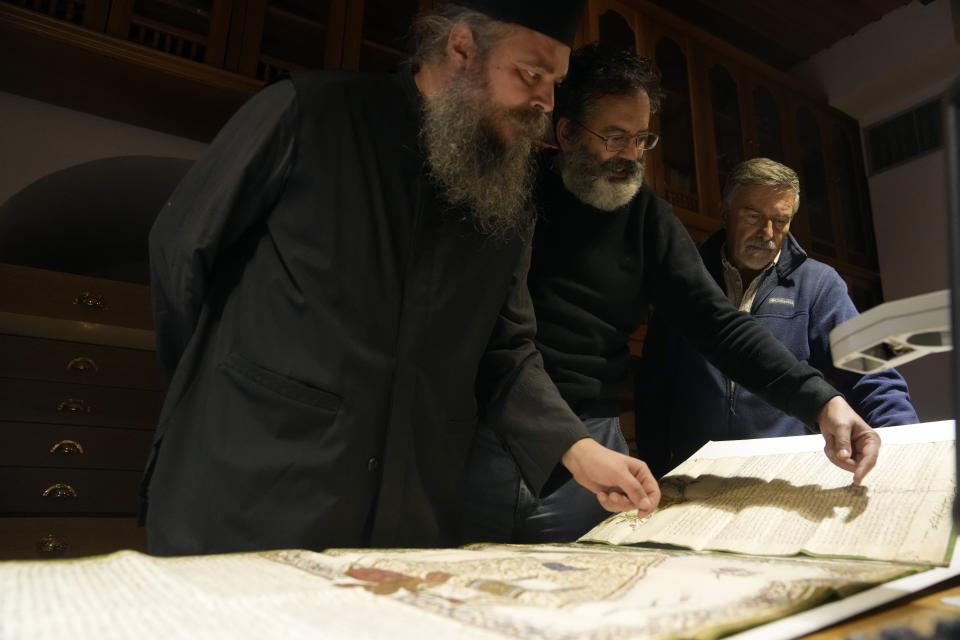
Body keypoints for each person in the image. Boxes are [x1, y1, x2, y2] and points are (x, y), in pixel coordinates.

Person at [143, 1, 663, 556]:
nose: (547, 102)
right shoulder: (307, 113)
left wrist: (580, 449)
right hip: (252, 490)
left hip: (405, 514)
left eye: (554, 83)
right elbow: (181, 255)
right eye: (531, 75)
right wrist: (220, 401)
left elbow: (505, 352)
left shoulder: (506, 193)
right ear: (462, 49)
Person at [461, 44, 882, 544]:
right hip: (489, 431)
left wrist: (821, 402)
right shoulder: (510, 194)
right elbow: (502, 345)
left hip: (595, 434)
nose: (631, 157)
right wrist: (566, 441)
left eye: (642, 139)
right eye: (615, 137)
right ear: (567, 133)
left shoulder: (648, 218)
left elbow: (718, 324)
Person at [637, 158, 918, 477]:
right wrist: (655, 472)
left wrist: (906, 453)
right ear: (725, 212)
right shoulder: (684, 281)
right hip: (695, 472)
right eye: (753, 215)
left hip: (784, 472)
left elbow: (873, 373)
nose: (767, 233)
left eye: (781, 220)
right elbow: (653, 390)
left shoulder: (819, 285)